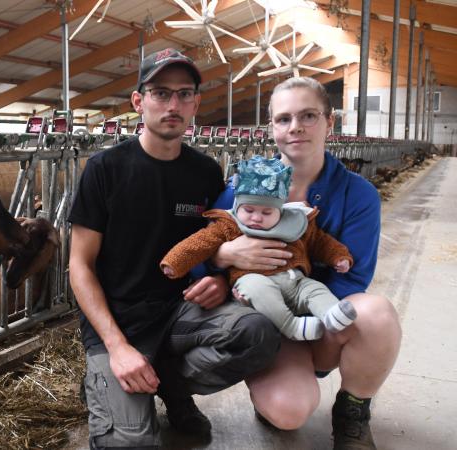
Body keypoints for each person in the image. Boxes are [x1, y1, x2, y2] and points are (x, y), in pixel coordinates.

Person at [68, 48, 281, 449]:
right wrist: (117, 348)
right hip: (121, 321)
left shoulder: (204, 171)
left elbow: (215, 242)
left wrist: (219, 278)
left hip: (180, 311)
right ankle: (111, 380)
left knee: (258, 333)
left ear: (197, 104)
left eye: (185, 94)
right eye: (161, 93)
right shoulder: (105, 169)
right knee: (130, 444)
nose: (173, 105)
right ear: (138, 102)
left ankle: (169, 385)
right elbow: (79, 266)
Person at [212, 76, 402, 449]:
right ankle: (273, 381)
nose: (295, 127)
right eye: (283, 119)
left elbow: (355, 276)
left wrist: (314, 316)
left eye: (308, 115)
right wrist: (225, 255)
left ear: (330, 122)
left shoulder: (358, 194)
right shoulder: (242, 186)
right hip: (264, 320)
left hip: (320, 315)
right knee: (288, 412)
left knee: (376, 315)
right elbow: (209, 245)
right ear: (271, 128)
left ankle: (352, 410)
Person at [160, 155, 357, 342]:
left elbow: (320, 242)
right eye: (249, 210)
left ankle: (330, 313)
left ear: (280, 210)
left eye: (267, 212)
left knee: (315, 289)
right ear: (237, 206)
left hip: (296, 282)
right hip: (254, 281)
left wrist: (339, 257)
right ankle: (292, 327)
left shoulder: (296, 222)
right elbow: (198, 243)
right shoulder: (229, 224)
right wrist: (175, 262)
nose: (256, 218)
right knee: (257, 289)